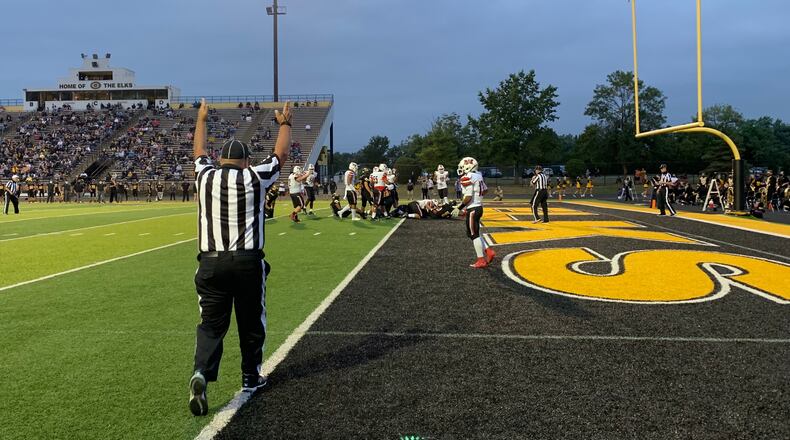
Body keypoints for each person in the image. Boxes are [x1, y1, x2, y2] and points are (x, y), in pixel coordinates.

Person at [188, 99, 292, 416]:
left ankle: (201, 373)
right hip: (247, 262)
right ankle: (250, 375)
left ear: (219, 160)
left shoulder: (206, 176)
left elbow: (197, 153)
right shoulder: (254, 177)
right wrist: (285, 124)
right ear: (246, 162)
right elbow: (280, 156)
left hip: (211, 262)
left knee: (210, 325)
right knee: (250, 322)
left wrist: (202, 120)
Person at [454, 157, 494, 268]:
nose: (461, 169)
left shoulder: (468, 177)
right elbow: (485, 190)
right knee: (472, 233)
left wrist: (459, 207)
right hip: (478, 207)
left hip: (473, 208)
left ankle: (481, 260)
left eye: (462, 167)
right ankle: (488, 250)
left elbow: (468, 196)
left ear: (468, 167)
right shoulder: (478, 175)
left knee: (474, 234)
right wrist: (478, 198)